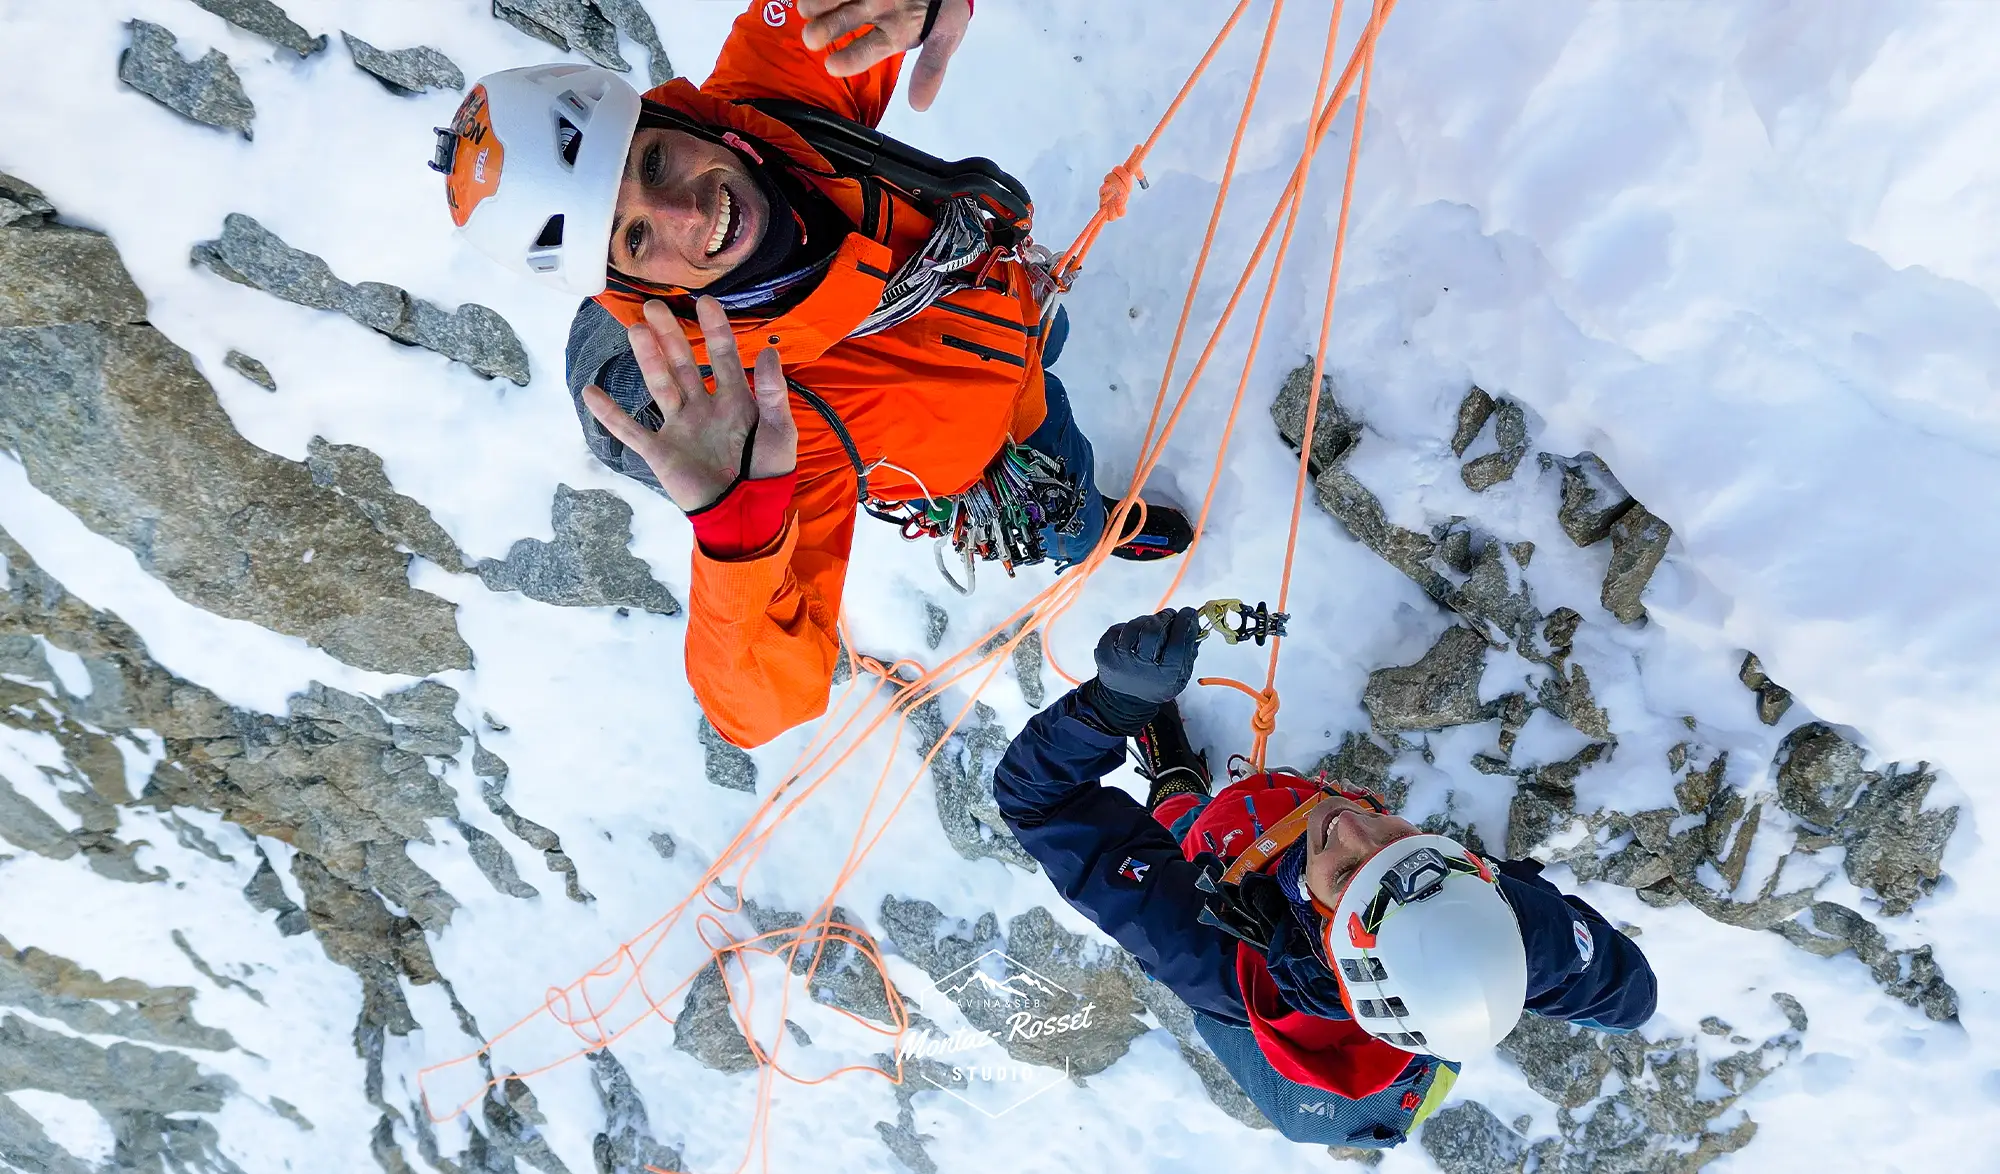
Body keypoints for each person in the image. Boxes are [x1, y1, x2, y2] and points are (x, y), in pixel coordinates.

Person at [434, 0, 1193, 748]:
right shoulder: (766, 420)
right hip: (1002, 452)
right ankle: (1102, 528)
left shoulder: (773, 111)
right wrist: (739, 533)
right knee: (1075, 518)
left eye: (651, 162)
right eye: (635, 237)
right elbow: (762, 706)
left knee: (1046, 340)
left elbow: (821, 14)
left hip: (1002, 296)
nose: (689, 213)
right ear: (630, 285)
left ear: (675, 121)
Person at [992, 608, 1658, 1147]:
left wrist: (1110, 709)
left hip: (1231, 872)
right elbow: (1631, 996)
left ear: (1319, 935)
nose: (1348, 822)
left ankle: (1169, 763)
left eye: (1345, 874)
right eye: (1403, 842)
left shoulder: (1206, 956)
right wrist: (1520, 945)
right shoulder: (1494, 925)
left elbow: (1039, 802)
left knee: (1186, 830)